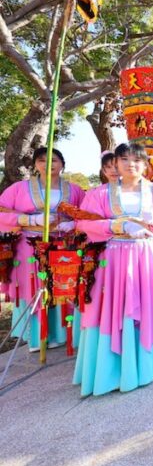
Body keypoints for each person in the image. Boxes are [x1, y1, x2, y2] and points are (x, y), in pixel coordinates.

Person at [73, 143, 153, 396]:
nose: (131, 164)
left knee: (147, 303)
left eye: (137, 160)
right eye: (125, 159)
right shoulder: (99, 193)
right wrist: (116, 226)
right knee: (113, 307)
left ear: (145, 165)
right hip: (114, 258)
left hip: (147, 254)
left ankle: (149, 363)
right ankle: (113, 368)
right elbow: (83, 223)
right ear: (115, 163)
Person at [0, 147, 85, 350]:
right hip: (29, 245)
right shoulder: (19, 188)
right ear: (35, 165)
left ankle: (63, 333)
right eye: (42, 160)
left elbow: (86, 214)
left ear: (62, 164)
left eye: (54, 160)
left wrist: (73, 225)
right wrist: (30, 219)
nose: (48, 164)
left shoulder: (75, 190)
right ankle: (37, 337)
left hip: (64, 245)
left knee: (63, 286)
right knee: (34, 286)